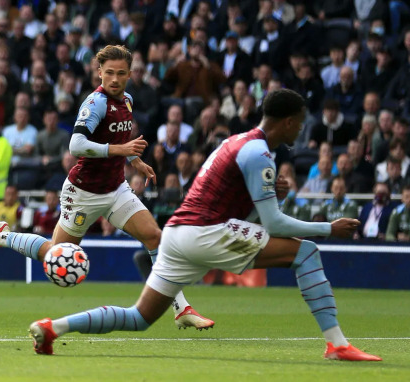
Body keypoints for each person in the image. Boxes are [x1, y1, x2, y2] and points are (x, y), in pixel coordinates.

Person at [27, 89, 382, 362]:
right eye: (299, 121)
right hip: (209, 233)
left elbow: (241, 206)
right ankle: (337, 344)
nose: (301, 128)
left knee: (139, 317)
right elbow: (272, 223)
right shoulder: (260, 154)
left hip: (179, 235)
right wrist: (327, 228)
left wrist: (270, 190)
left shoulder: (236, 143)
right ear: (287, 122)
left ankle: (52, 327)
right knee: (307, 252)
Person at [0, 45, 214, 331]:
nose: (114, 79)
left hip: (115, 190)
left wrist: (135, 161)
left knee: (155, 237)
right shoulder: (95, 103)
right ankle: (3, 236)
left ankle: (181, 308)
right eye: (109, 73)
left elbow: (120, 137)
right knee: (54, 252)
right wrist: (121, 149)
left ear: (129, 74)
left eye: (121, 73)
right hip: (83, 193)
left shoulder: (127, 100)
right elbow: (76, 145)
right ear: (99, 72)